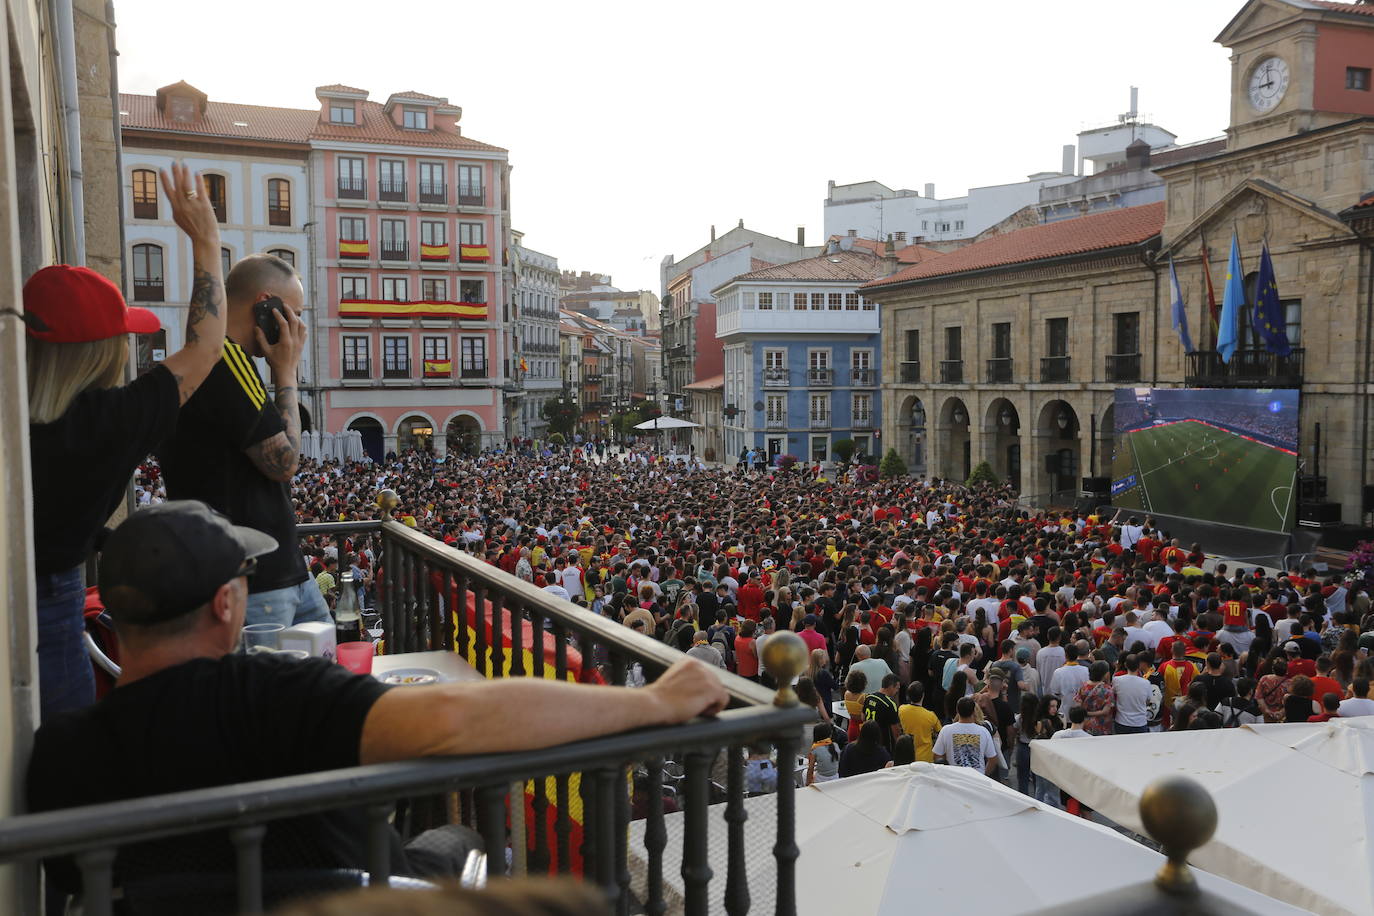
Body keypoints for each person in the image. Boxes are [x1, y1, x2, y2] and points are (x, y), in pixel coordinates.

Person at [28, 501, 729, 892]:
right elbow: (455, 718)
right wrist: (653, 703)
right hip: (361, 895)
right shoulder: (280, 696)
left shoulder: (58, 753)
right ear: (225, 605)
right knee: (462, 841)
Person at [25, 164, 226, 719]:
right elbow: (207, 348)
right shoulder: (108, 423)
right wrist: (206, 242)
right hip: (48, 615)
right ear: (101, 353)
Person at [158, 250, 326, 628]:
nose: (297, 327)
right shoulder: (226, 361)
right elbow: (284, 464)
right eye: (295, 313)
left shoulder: (216, 361)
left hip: (276, 574)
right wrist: (286, 372)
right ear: (266, 305)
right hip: (257, 584)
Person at [933, 696, 999, 775]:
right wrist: (983, 775)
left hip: (954, 779)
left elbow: (937, 755)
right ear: (974, 711)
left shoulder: (946, 730)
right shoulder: (983, 731)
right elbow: (993, 759)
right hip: (977, 780)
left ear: (957, 710)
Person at [898, 682, 941, 764]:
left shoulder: (901, 710)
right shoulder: (931, 716)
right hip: (925, 758)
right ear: (923, 695)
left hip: (907, 756)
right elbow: (940, 733)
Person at [1112, 653, 1154, 734]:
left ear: (1125, 665)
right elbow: (1148, 700)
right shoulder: (1146, 683)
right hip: (1140, 723)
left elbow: (1113, 695)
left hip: (1122, 722)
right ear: (1139, 666)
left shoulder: (1116, 680)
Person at [861, 673, 902, 751]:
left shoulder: (869, 697)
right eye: (897, 688)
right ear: (890, 687)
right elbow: (895, 732)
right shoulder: (889, 704)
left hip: (867, 739)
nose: (897, 691)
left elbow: (863, 718)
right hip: (883, 743)